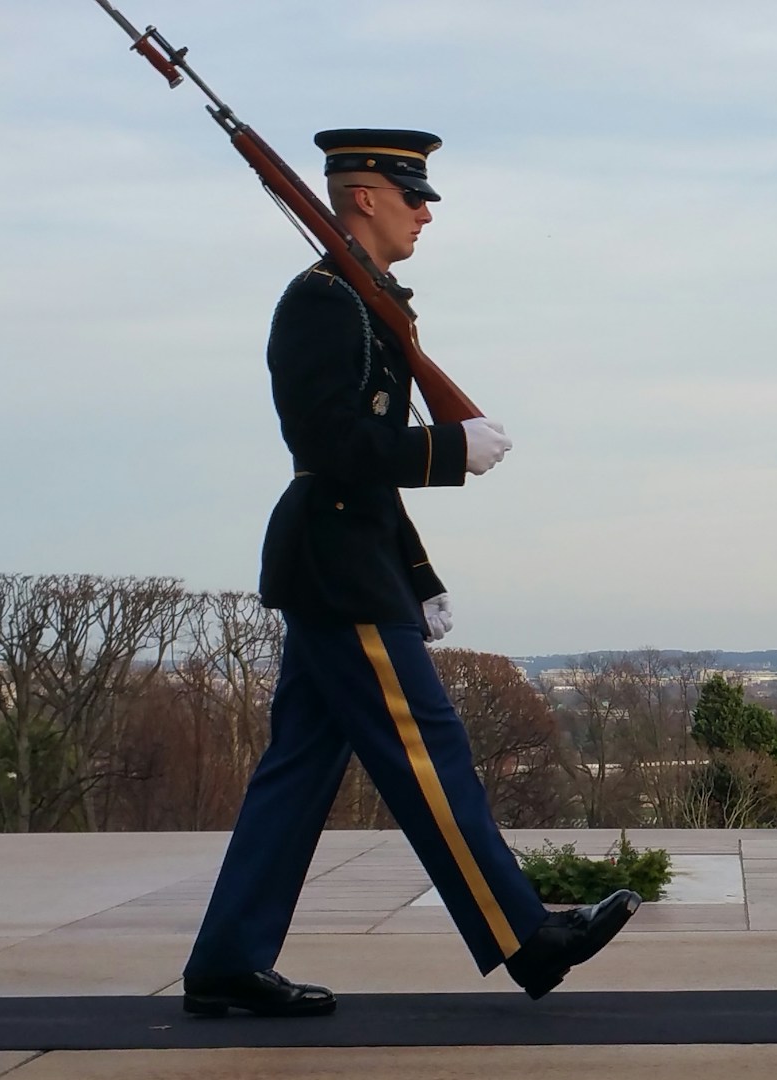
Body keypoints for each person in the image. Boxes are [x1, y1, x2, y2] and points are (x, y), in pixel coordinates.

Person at [180, 129, 635, 1018]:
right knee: (430, 751)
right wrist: (446, 449)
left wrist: (418, 571)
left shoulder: (360, 302)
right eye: (412, 196)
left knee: (300, 769)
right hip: (340, 570)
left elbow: (357, 474)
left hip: (348, 558)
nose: (426, 213)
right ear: (362, 198)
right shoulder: (323, 303)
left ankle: (228, 958)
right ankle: (526, 938)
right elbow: (330, 446)